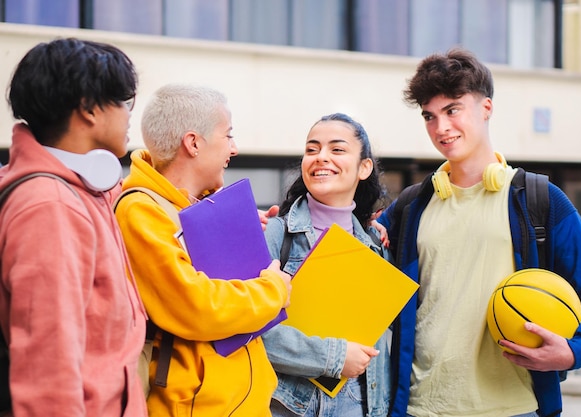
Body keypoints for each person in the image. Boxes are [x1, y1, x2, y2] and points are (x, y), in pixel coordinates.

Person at [376, 48, 581, 417]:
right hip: (418, 407)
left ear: (486, 108)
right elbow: (353, 252)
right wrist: (277, 223)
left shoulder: (540, 200)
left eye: (452, 110)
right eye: (430, 115)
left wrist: (575, 350)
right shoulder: (411, 206)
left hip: (513, 408)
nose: (440, 128)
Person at [114, 83, 292, 417]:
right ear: (193, 143)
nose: (234, 148)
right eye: (228, 135)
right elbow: (193, 304)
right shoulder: (139, 210)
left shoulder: (198, 206)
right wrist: (274, 289)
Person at [0, 38, 147, 416]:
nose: (130, 115)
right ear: (88, 109)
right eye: (123, 101)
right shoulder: (49, 205)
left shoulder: (86, 188)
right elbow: (47, 360)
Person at [262, 113, 391, 417]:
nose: (321, 157)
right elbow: (249, 332)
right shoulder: (274, 235)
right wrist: (334, 357)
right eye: (312, 149)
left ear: (364, 167)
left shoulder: (376, 246)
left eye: (336, 149)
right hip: (289, 408)